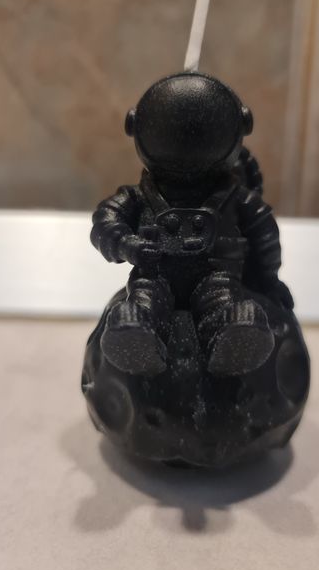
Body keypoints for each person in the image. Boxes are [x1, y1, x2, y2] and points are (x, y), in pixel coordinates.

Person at [91, 72, 292, 377]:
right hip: (154, 277)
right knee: (145, 302)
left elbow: (264, 238)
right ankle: (136, 332)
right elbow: (106, 222)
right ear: (243, 123)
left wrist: (266, 281)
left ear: (133, 124)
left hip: (217, 278)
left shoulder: (238, 200)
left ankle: (234, 335)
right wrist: (126, 245)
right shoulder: (138, 197)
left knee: (223, 303)